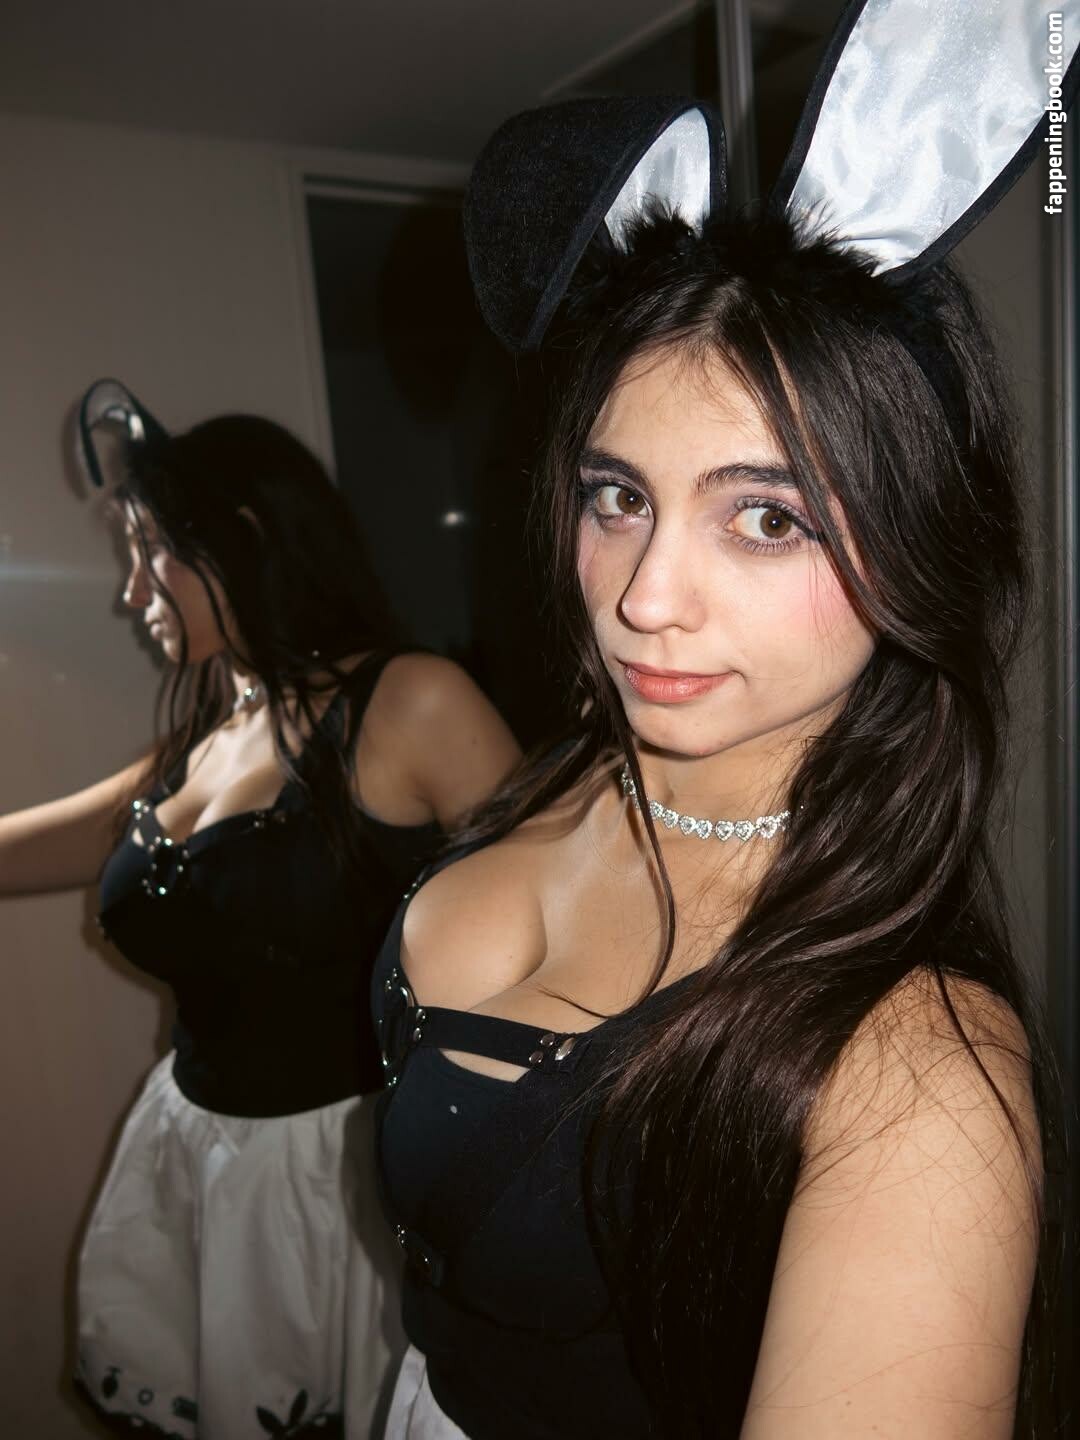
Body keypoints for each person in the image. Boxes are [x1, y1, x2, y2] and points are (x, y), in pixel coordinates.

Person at [370, 7, 1080, 1437]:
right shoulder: (568, 775)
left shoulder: (918, 1076)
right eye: (618, 496)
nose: (644, 597)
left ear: (915, 547)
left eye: (765, 518)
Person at [0, 411, 521, 1439]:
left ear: (241, 537)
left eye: (152, 553)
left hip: (341, 1191)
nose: (132, 592)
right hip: (196, 1158)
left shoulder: (408, 701)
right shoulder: (209, 738)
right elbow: (38, 843)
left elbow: (561, 905)